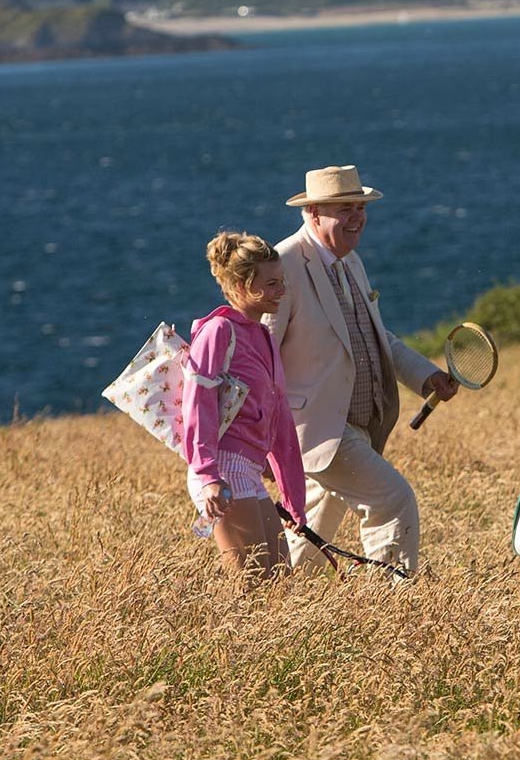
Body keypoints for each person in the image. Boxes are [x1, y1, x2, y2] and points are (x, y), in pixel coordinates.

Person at [263, 165, 458, 576]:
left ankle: (280, 601)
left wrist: (425, 376)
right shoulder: (284, 264)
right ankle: (391, 604)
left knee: (313, 527)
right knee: (392, 501)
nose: (357, 217)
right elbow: (262, 353)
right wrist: (263, 439)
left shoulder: (349, 261)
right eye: (344, 209)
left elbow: (376, 335)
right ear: (313, 213)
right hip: (316, 430)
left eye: (360, 207)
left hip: (353, 426)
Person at [184, 231, 308, 584]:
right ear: (240, 285)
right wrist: (209, 477)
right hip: (220, 469)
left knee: (280, 581)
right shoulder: (218, 331)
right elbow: (198, 407)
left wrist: (293, 499)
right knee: (252, 585)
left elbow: (282, 421)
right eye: (270, 284)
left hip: (249, 469)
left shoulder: (265, 337)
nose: (281, 291)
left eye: (281, 282)